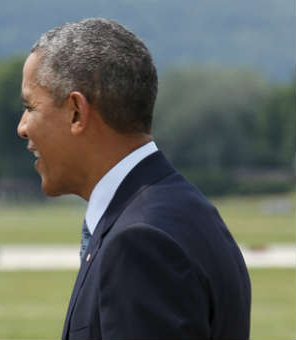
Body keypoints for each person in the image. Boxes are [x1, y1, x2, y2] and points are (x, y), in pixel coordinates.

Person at [17, 18, 251, 339]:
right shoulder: (181, 209)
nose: (22, 127)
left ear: (76, 111)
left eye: (30, 107)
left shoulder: (140, 241)